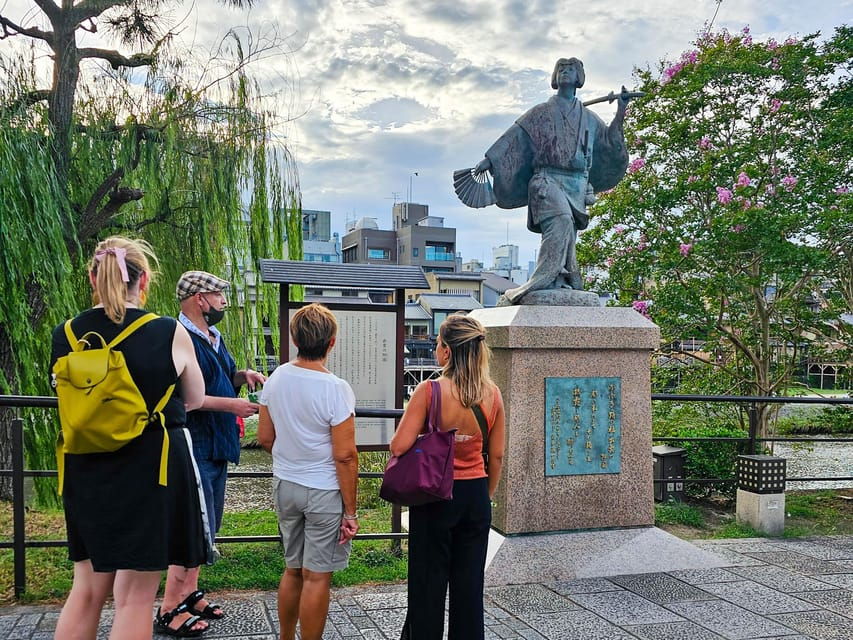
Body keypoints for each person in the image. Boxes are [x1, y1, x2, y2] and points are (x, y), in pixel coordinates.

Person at [51, 237, 207, 640]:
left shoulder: (65, 334)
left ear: (93, 277)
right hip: (148, 469)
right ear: (146, 280)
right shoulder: (167, 331)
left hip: (85, 470)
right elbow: (195, 398)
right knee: (135, 598)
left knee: (85, 591)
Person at [471, 57, 631, 303]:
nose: (566, 72)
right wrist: (490, 160)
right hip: (547, 179)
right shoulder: (541, 112)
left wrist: (621, 110)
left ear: (579, 77)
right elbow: (513, 137)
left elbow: (609, 143)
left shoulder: (588, 117)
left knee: (569, 234)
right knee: (562, 221)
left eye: (571, 69)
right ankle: (539, 281)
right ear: (555, 77)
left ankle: (562, 279)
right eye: (562, 69)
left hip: (576, 183)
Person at [160, 271, 266, 630]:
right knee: (193, 523)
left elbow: (221, 375)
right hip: (196, 443)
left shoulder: (214, 336)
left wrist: (242, 376)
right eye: (217, 294)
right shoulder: (179, 337)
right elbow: (188, 400)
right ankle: (169, 608)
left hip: (217, 443)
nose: (223, 301)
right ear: (198, 299)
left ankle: (189, 592)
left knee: (209, 524)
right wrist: (233, 406)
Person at [391, 313, 506, 640]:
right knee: (469, 588)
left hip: (433, 495)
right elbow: (496, 454)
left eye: (439, 344)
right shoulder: (493, 394)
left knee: (428, 584)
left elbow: (399, 445)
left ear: (446, 351)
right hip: (475, 498)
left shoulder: (430, 391)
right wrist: (487, 494)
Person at [257, 303, 359, 640]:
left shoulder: (276, 378)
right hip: (324, 491)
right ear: (332, 343)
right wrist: (351, 511)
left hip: (286, 485)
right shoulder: (336, 388)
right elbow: (345, 456)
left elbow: (265, 438)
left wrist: (293, 458)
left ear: (294, 338)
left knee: (292, 569)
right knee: (317, 576)